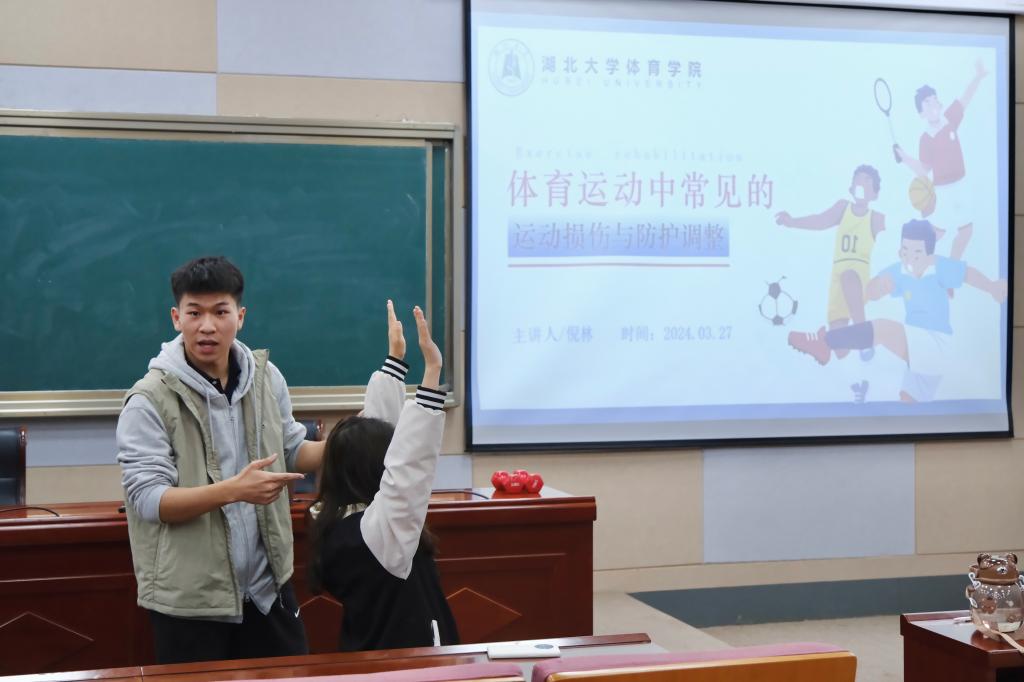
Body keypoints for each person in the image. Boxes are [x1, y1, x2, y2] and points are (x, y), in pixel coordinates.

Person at [116, 256, 323, 664]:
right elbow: (149, 501)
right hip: (192, 604)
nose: (207, 326)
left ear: (240, 317)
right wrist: (233, 491)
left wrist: (359, 437)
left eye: (220, 312)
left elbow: (294, 450)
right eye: (195, 313)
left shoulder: (266, 378)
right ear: (176, 317)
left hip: (267, 592)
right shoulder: (149, 399)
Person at [307, 300, 457, 652]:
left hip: (368, 654)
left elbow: (371, 438)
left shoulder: (334, 519)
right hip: (407, 664)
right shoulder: (381, 532)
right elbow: (408, 465)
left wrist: (395, 360)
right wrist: (432, 371)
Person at [787, 220, 1006, 402]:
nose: (910, 257)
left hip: (936, 344)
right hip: (916, 350)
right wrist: (877, 288)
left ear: (929, 253)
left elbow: (967, 274)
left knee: (884, 329)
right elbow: (872, 289)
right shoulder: (901, 270)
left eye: (917, 252)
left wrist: (991, 287)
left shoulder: (939, 266)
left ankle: (825, 342)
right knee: (909, 404)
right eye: (905, 251)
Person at [775, 164, 886, 360]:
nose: (862, 183)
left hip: (858, 274)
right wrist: (792, 222)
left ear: (875, 194)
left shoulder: (876, 218)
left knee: (849, 276)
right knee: (840, 351)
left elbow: (898, 232)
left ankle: (864, 337)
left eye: (867, 181)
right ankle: (824, 342)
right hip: (837, 277)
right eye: (858, 179)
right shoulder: (843, 208)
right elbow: (819, 221)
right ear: (851, 188)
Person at [895, 59, 988, 262]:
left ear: (940, 103)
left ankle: (953, 266)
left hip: (961, 185)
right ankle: (914, 260)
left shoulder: (950, 119)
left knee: (966, 231)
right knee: (937, 232)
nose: (933, 103)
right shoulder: (925, 139)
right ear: (921, 113)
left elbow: (965, 97)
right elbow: (924, 169)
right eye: (927, 102)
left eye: (935, 99)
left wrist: (978, 77)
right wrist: (904, 158)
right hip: (942, 191)